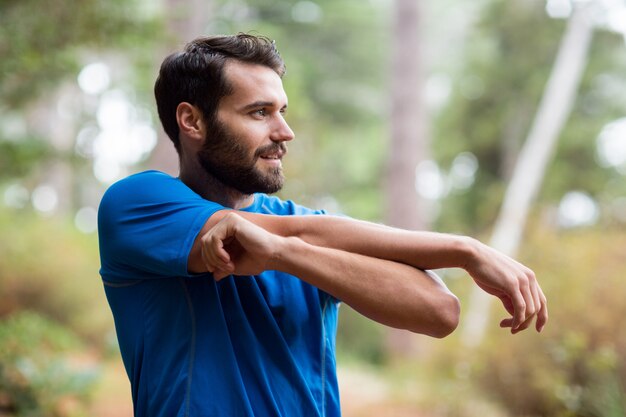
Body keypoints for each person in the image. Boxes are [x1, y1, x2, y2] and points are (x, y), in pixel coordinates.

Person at [98, 33, 548, 417]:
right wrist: (462, 250)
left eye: (282, 110)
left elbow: (441, 313)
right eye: (259, 112)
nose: (284, 131)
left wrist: (284, 255)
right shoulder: (136, 204)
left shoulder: (306, 229)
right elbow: (263, 235)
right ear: (191, 120)